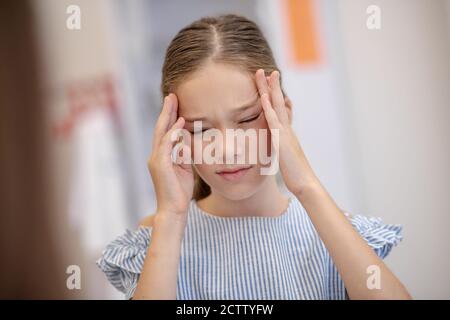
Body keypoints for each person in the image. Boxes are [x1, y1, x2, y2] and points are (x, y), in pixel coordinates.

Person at [97, 14, 411, 300]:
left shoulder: (335, 234)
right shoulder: (159, 239)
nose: (228, 149)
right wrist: (171, 217)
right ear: (174, 136)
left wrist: (306, 186)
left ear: (282, 113)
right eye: (200, 129)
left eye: (246, 119)